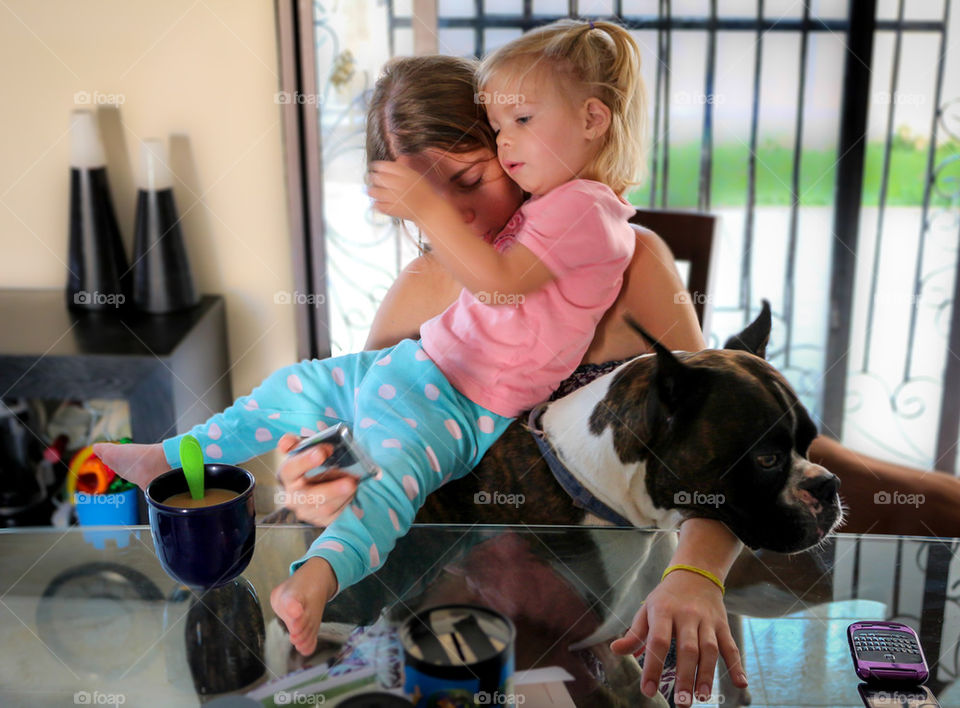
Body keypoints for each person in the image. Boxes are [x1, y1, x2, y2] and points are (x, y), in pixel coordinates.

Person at [98, 17, 732, 702]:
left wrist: (697, 574)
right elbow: (349, 458)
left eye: (470, 178)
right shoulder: (421, 295)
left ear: (512, 144)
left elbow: (723, 448)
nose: (455, 217)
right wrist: (307, 487)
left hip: (604, 629)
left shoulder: (635, 265)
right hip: (434, 637)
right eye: (423, 201)